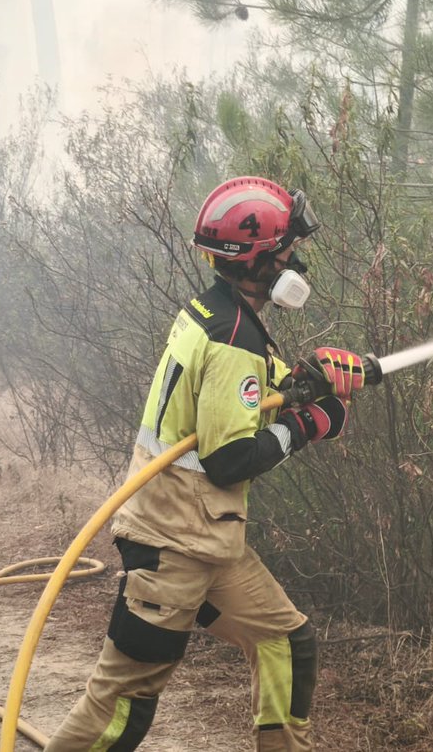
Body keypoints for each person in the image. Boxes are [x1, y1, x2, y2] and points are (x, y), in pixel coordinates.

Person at [45, 176, 368, 752]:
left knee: (284, 643)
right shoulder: (232, 338)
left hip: (205, 541)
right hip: (173, 550)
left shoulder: (216, 312)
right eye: (289, 247)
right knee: (122, 705)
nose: (298, 258)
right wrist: (312, 423)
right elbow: (228, 459)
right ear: (261, 259)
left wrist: (302, 381)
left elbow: (228, 401)